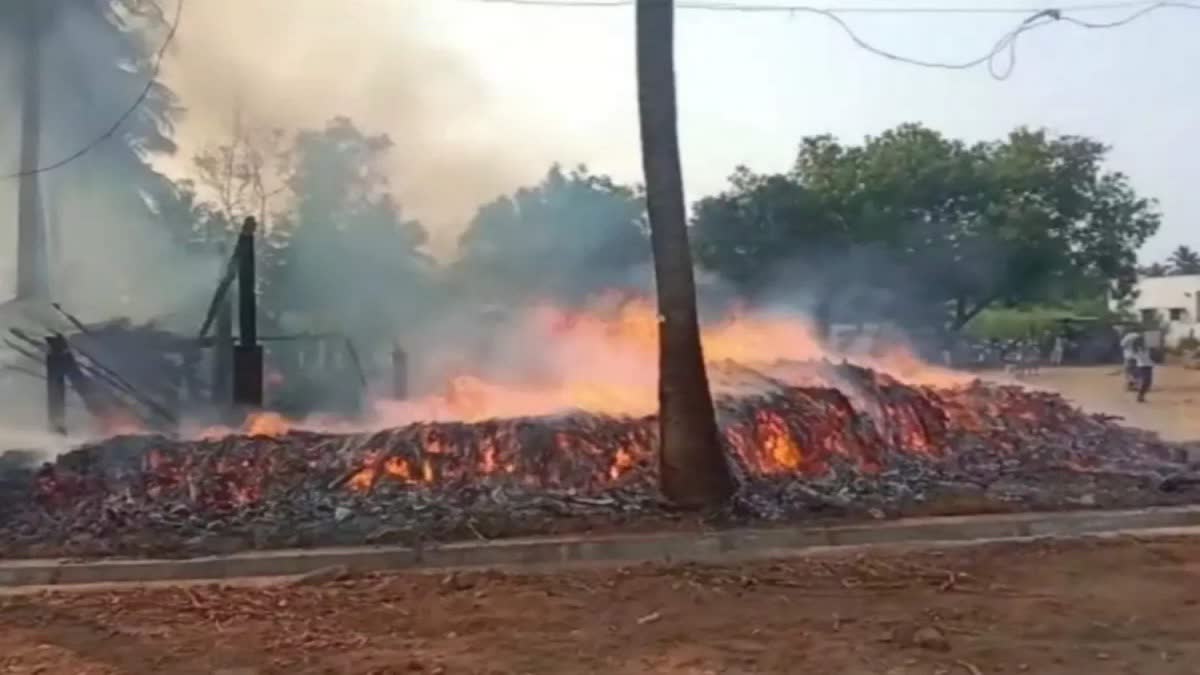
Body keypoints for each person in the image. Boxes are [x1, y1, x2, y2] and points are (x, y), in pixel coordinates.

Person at [1131, 337, 1154, 403]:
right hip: (1142, 367)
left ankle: (1141, 396)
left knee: (1148, 383)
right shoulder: (1136, 350)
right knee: (1145, 382)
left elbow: (1152, 356)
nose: (1143, 343)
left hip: (1149, 366)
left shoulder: (1147, 349)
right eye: (1141, 342)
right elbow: (1135, 356)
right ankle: (1139, 396)